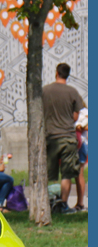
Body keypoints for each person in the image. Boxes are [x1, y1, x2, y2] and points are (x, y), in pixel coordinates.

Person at [43, 63, 86, 213]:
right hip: (68, 137)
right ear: (68, 75)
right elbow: (75, 116)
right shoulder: (73, 92)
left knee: (50, 173)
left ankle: (49, 202)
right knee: (67, 174)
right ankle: (63, 205)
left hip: (50, 137)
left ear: (56, 73)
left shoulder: (45, 91)